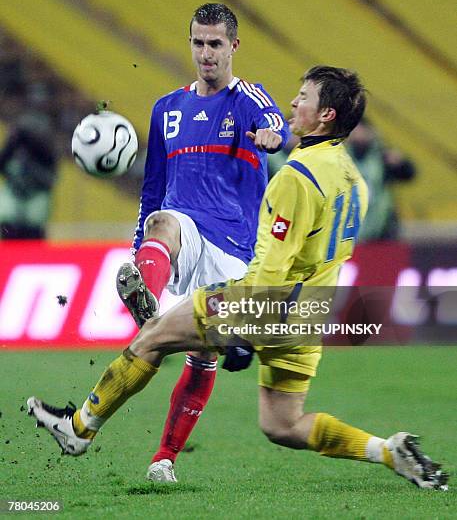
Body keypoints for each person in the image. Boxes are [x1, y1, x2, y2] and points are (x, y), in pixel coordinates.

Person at [28, 66, 447, 490]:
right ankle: (386, 450)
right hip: (310, 314)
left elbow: (272, 266)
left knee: (152, 336)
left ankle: (79, 429)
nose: (294, 103)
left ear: (326, 116)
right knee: (283, 423)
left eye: (304, 97)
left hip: (263, 304)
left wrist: (245, 330)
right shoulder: (355, 181)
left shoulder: (296, 178)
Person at [114, 2, 289, 481]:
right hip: (185, 232)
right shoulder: (166, 109)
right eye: (198, 43)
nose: (206, 54)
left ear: (233, 46)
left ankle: (164, 458)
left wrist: (274, 138)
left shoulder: (247, 99)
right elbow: (152, 189)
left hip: (233, 248)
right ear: (189, 43)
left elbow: (279, 124)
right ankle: (147, 297)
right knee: (163, 222)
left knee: (205, 355)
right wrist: (140, 251)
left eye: (215, 44)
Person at [346, 119, 416, 241]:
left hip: (382, 225)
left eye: (360, 130)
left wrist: (400, 164)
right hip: (349, 222)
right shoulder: (342, 157)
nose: (357, 135)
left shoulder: (382, 156)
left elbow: (408, 175)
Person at [0, 112, 57, 239]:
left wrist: (30, 162)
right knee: (10, 231)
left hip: (35, 199)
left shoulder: (45, 153)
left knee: (33, 234)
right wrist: (12, 145)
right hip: (14, 197)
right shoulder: (13, 149)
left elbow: (50, 179)